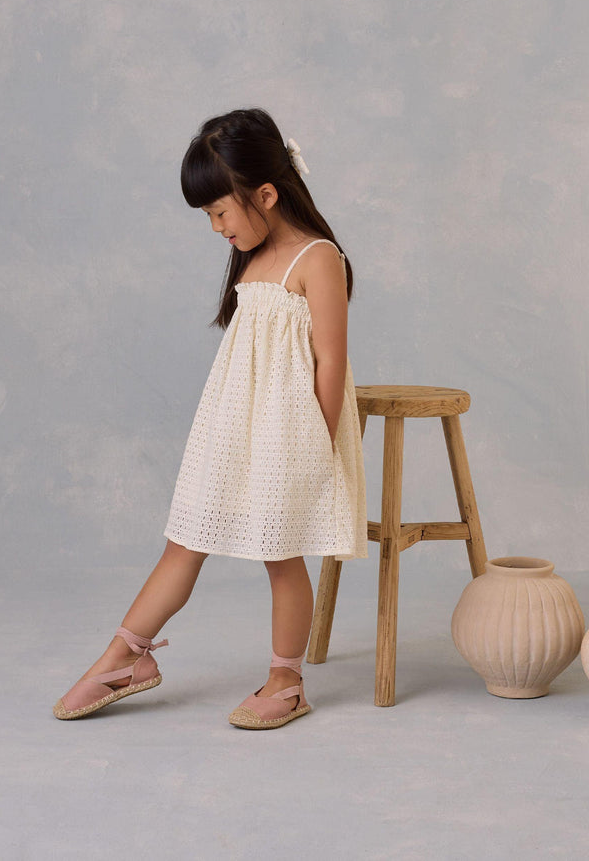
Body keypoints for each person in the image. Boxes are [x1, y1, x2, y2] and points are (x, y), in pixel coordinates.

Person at [53, 108, 368, 729]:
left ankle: (287, 680)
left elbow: (330, 362)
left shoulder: (316, 258)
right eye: (209, 217)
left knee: (282, 556)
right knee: (184, 542)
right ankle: (125, 657)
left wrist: (316, 446)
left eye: (220, 212)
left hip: (287, 439)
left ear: (267, 195)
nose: (216, 228)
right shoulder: (251, 258)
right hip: (230, 433)